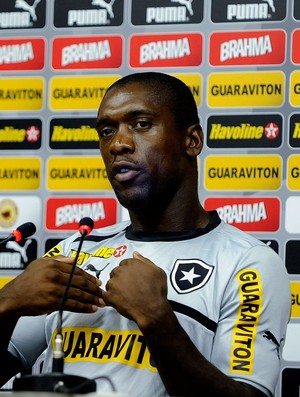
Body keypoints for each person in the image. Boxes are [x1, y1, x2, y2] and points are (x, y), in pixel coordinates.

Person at [0, 72, 291, 397]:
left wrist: (157, 319)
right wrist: (7, 302)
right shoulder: (75, 251)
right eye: (107, 131)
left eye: (140, 124)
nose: (117, 144)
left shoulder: (247, 263)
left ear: (191, 140)